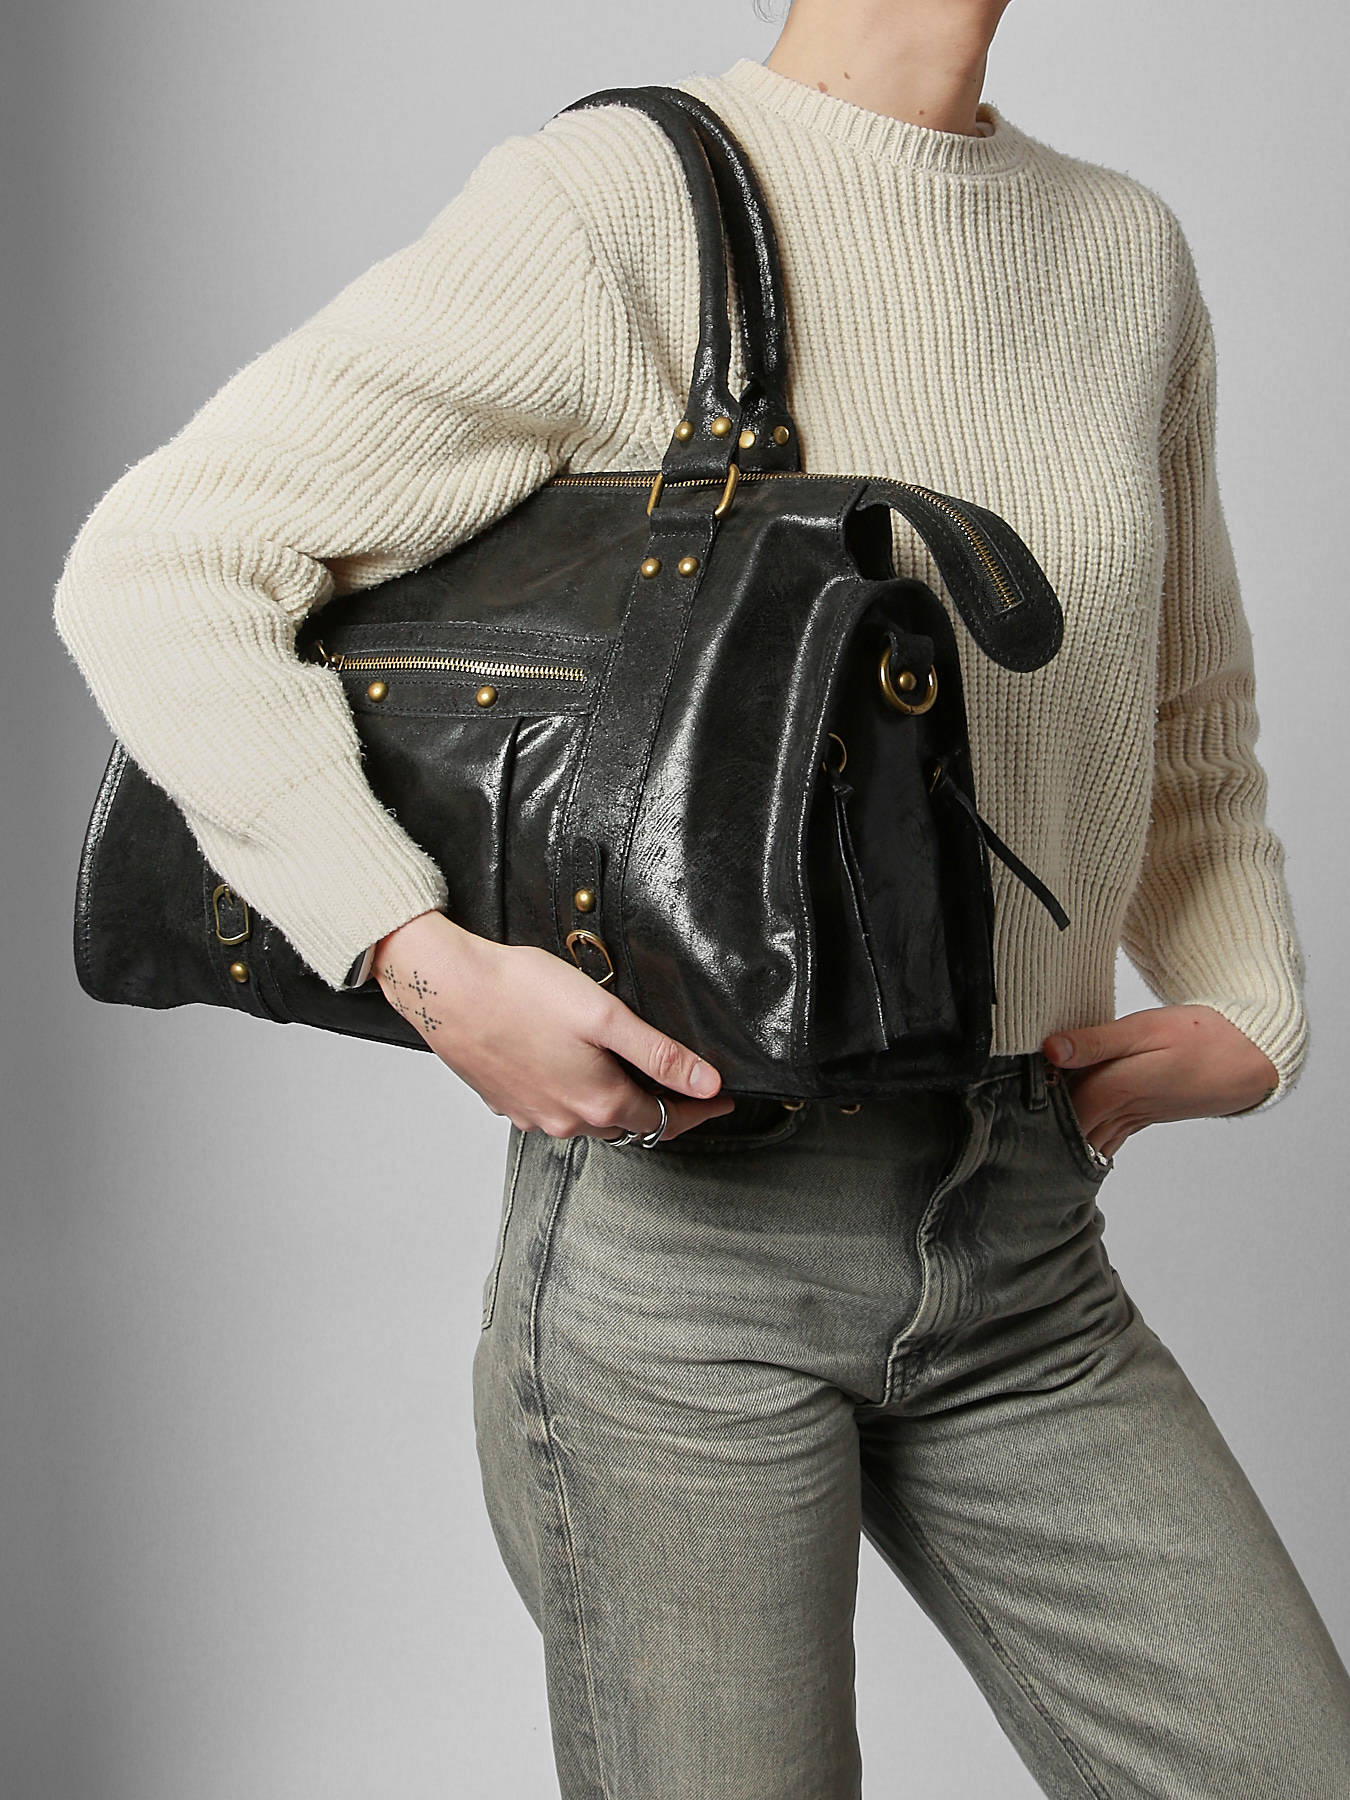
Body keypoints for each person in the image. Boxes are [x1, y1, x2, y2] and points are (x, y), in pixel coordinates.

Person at [52, 0, 1350, 1794]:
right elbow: (163, 562)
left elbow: (1179, 706)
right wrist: (416, 959)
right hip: (685, 1256)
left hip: (1024, 1228)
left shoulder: (1122, 251)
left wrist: (1247, 1006)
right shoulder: (616, 206)